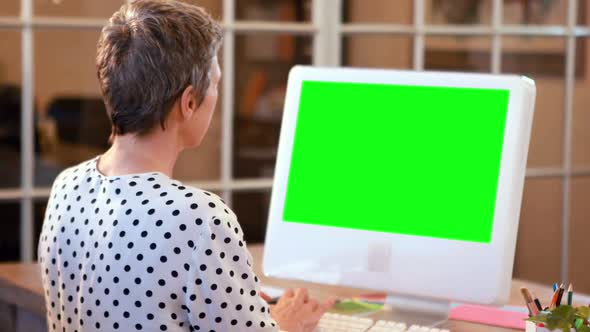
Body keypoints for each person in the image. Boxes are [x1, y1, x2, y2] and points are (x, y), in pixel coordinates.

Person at [37, 1, 333, 331]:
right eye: (216, 84)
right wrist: (284, 322)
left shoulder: (66, 186)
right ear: (189, 102)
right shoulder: (196, 217)